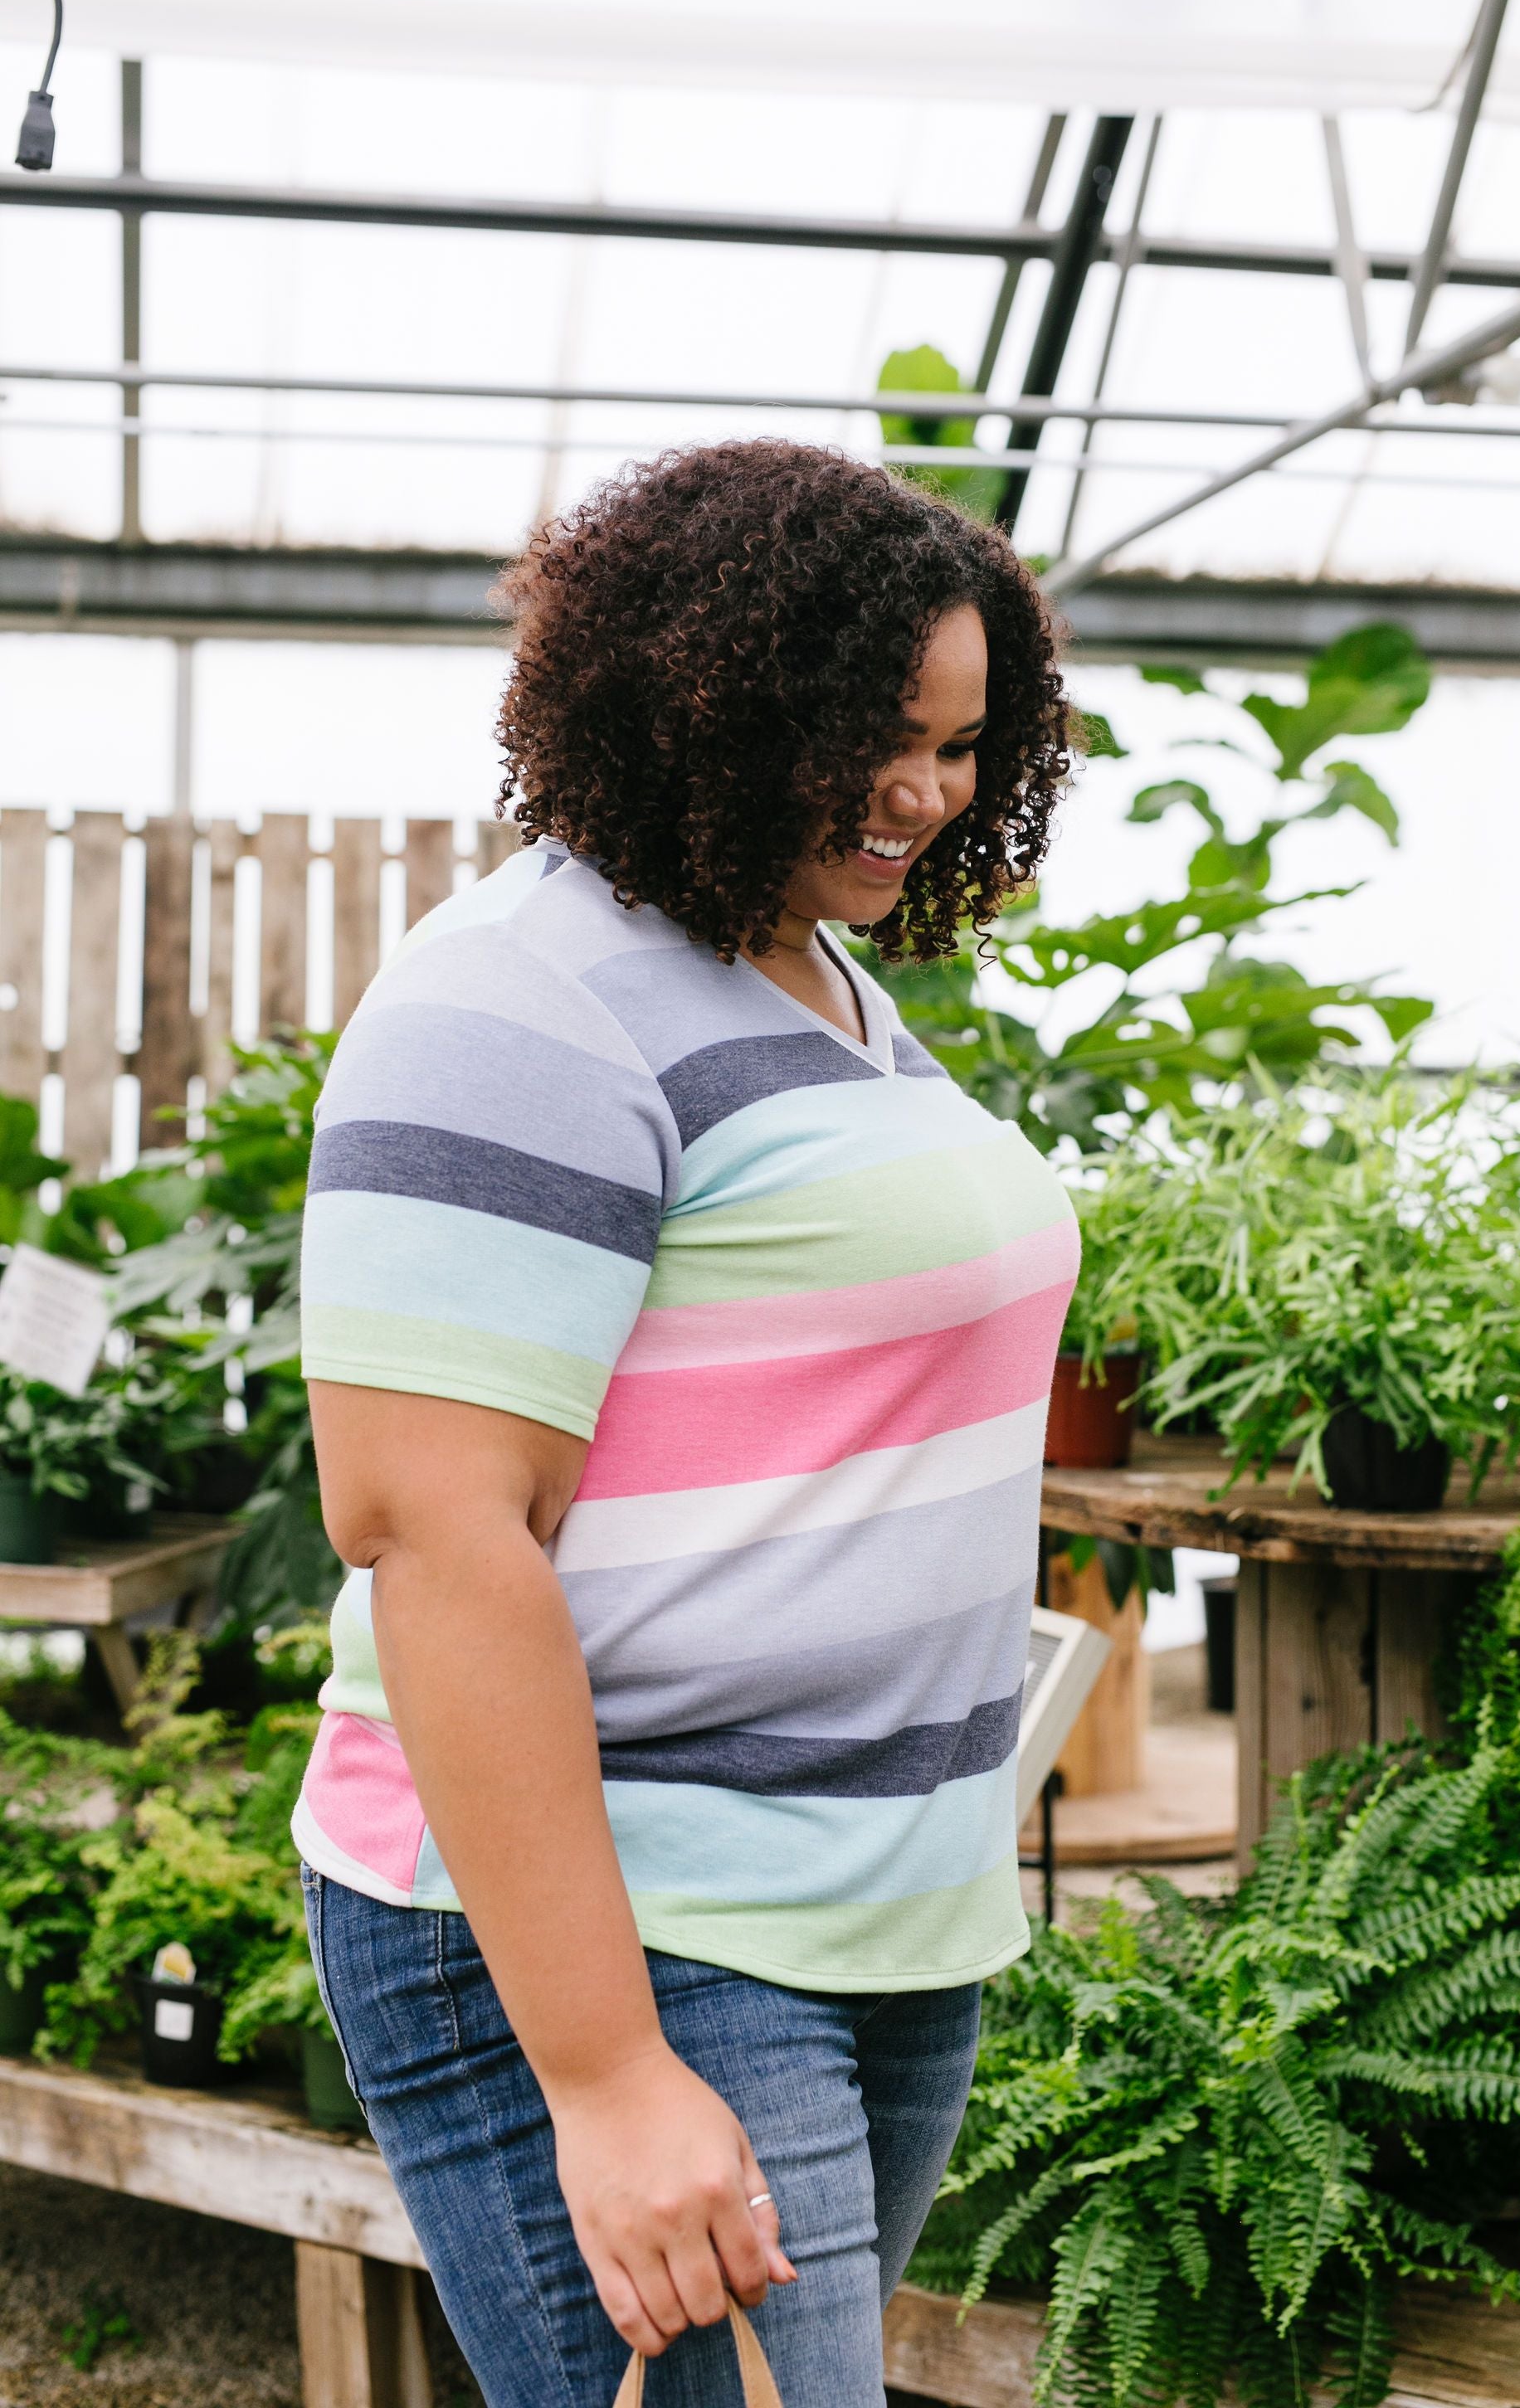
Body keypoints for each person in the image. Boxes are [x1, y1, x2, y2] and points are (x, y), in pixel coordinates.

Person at [295, 439, 1079, 2407]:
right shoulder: (521, 995)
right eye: (876, 742)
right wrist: (606, 2071)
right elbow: (429, 1534)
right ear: (704, 706)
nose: (926, 795)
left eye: (963, 745)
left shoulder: (801, 960)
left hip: (862, 1912)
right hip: (637, 1929)